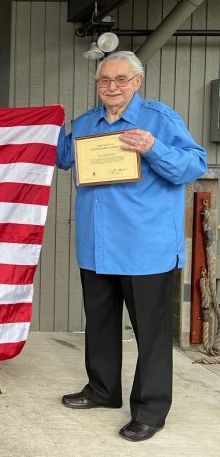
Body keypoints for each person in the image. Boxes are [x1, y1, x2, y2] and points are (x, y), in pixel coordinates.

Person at [56, 51, 206, 442]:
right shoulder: (87, 123)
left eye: (121, 79)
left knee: (150, 334)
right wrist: (44, 124)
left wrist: (154, 147)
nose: (112, 86)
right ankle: (102, 391)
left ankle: (150, 411)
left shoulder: (160, 119)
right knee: (101, 326)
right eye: (105, 79)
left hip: (145, 247)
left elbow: (194, 166)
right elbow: (62, 157)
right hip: (97, 245)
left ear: (137, 82)